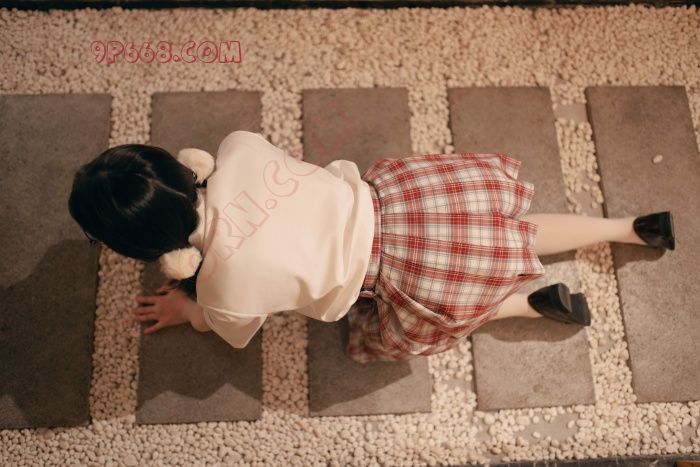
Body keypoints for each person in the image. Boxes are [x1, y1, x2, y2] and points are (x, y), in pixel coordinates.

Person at [68, 130, 675, 363]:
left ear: (154, 250)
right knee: (516, 229)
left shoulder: (224, 284)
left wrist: (188, 307)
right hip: (408, 203)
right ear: (178, 167)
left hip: (400, 271)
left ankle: (526, 305)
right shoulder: (237, 148)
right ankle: (630, 227)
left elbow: (224, 324)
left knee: (450, 303)